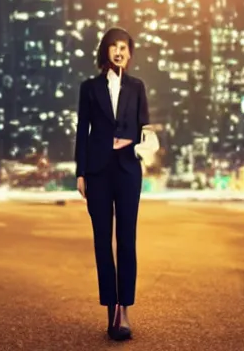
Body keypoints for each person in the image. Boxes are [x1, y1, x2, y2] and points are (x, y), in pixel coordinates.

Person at [74, 27, 150, 342]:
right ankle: (110, 308)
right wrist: (80, 172)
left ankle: (125, 309)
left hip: (129, 170)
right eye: (113, 47)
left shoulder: (137, 87)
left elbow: (146, 127)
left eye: (124, 47)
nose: (119, 52)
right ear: (105, 51)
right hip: (98, 172)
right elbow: (82, 130)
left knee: (127, 240)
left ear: (130, 54)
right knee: (102, 241)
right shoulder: (89, 87)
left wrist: (144, 147)